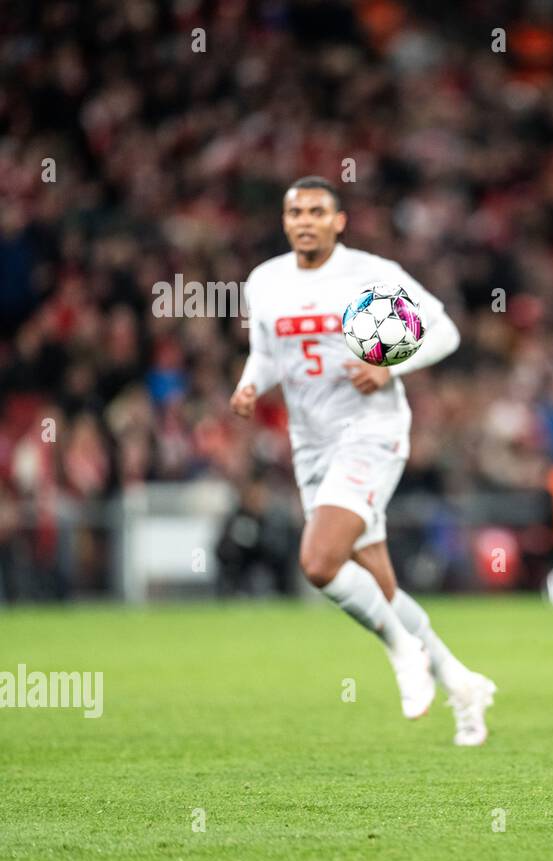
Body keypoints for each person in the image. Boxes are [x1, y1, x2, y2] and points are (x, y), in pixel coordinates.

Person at [230, 176, 495, 745]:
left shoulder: (370, 274)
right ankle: (460, 681)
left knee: (320, 562)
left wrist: (389, 367)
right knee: (378, 581)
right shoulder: (265, 281)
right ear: (285, 221)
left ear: (339, 221)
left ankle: (405, 653)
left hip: (370, 431)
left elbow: (445, 330)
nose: (305, 220)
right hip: (311, 443)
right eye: (295, 210)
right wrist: (250, 386)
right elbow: (266, 354)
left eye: (318, 211)